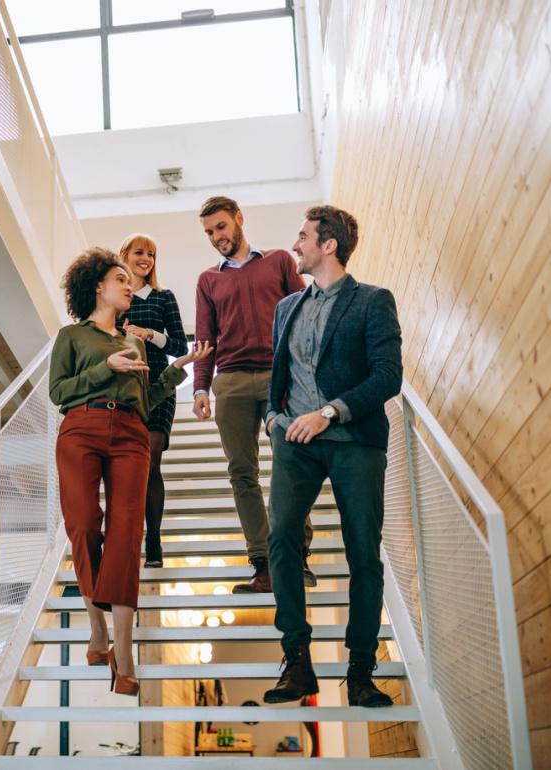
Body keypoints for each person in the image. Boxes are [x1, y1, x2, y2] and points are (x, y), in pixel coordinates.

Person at [50, 247, 210, 696]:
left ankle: (124, 651)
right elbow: (57, 391)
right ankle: (96, 628)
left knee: (127, 534)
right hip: (81, 427)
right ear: (97, 286)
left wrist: (175, 372)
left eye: (128, 280)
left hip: (131, 433)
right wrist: (105, 367)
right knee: (83, 525)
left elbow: (145, 399)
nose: (128, 285)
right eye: (119, 278)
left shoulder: (135, 341)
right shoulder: (72, 337)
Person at [262, 205, 402, 708]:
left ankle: (361, 671)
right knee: (280, 539)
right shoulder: (286, 308)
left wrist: (330, 412)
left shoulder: (372, 301)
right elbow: (274, 377)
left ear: (328, 246)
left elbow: (388, 376)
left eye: (303, 236)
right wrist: (273, 421)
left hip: (354, 441)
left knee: (362, 551)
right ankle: (297, 661)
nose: (294, 244)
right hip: (294, 444)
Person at [193, 197, 314, 592]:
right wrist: (199, 386)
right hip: (230, 381)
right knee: (241, 472)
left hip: (281, 377)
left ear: (239, 220)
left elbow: (305, 316)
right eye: (210, 232)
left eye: (221, 227)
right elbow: (205, 338)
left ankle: (295, 557)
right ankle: (262, 564)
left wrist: (308, 372)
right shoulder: (208, 280)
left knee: (291, 464)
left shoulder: (278, 260)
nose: (216, 238)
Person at [117, 233, 189, 568]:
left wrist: (151, 335)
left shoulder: (164, 297)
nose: (145, 259)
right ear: (125, 256)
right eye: (139, 252)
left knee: (151, 461)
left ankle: (155, 538)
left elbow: (179, 346)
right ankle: (131, 535)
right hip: (123, 388)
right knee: (128, 468)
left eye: (151, 254)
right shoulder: (117, 297)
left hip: (160, 384)